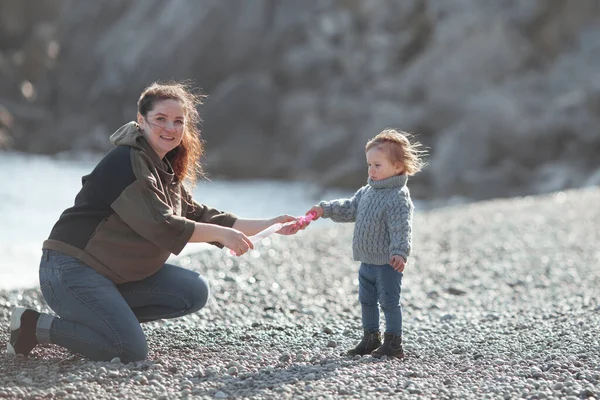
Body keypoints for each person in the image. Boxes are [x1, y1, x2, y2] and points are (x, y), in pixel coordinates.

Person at [7, 81, 308, 362]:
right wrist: (223, 235)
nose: (171, 128)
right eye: (161, 119)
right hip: (68, 269)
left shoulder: (160, 167)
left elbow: (200, 215)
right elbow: (163, 224)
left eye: (178, 121)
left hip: (108, 274)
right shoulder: (127, 162)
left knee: (192, 291)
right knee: (130, 352)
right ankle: (33, 326)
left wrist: (273, 224)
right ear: (141, 119)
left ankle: (104, 322)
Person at [305, 129, 426, 359]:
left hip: (387, 263)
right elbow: (350, 208)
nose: (371, 170)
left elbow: (402, 228)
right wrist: (325, 209)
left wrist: (400, 253)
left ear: (398, 167)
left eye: (377, 165)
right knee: (366, 300)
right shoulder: (367, 191)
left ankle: (394, 343)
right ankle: (370, 337)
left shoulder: (398, 196)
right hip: (366, 261)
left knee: (389, 302)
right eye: (369, 164)